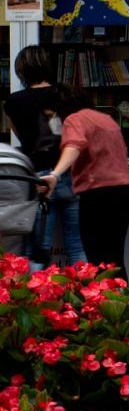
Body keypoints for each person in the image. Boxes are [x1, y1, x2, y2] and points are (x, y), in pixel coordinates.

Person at [37, 87, 129, 271]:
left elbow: (74, 145)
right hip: (123, 193)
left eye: (51, 116)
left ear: (60, 109)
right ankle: (122, 291)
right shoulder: (107, 119)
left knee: (97, 261)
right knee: (115, 261)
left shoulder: (74, 119)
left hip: (97, 195)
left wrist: (55, 174)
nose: (51, 122)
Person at [4, 46, 81, 264]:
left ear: (21, 70)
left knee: (38, 251)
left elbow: (20, 135)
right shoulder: (66, 96)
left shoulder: (13, 102)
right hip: (69, 174)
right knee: (76, 246)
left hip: (38, 179)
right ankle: (87, 286)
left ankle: (38, 286)